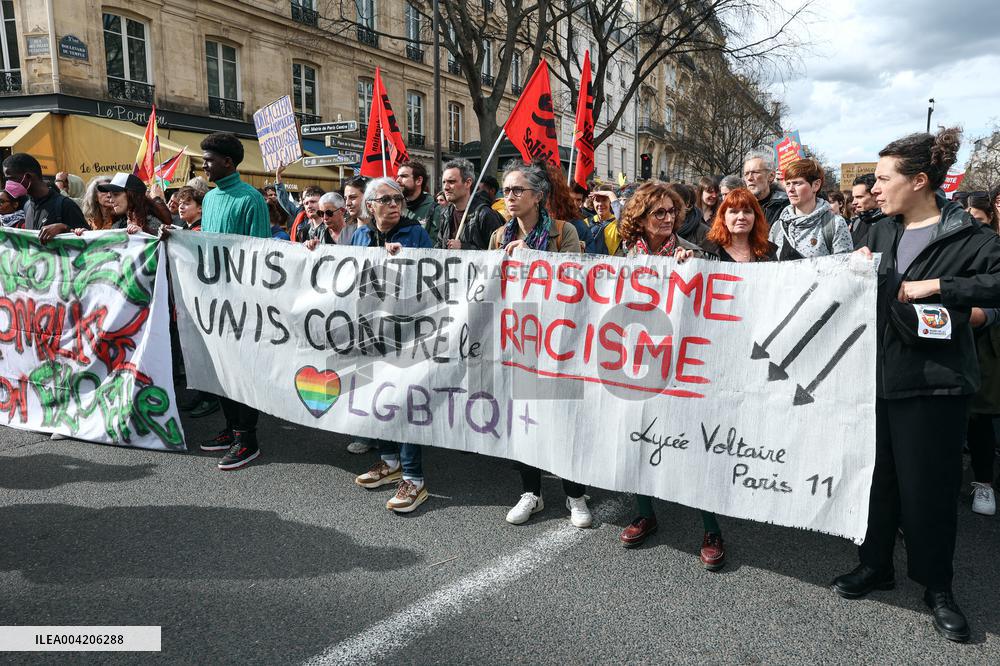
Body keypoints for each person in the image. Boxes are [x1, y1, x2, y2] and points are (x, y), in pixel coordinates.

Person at [831, 127, 1000, 643]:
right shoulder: (877, 231)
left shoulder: (970, 235)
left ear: (919, 180)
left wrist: (938, 287)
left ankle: (938, 588)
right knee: (876, 483)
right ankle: (875, 565)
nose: (874, 188)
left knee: (927, 491)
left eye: (884, 179)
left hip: (934, 385)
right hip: (875, 379)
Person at [614, 180, 725, 568]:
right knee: (640, 436)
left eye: (671, 212)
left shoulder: (693, 252)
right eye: (657, 212)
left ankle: (711, 527)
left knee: (692, 444)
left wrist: (692, 268)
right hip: (639, 360)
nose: (667, 218)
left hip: (683, 364)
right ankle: (645, 513)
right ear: (640, 218)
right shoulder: (626, 255)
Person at [488, 160, 590, 528]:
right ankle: (531, 492)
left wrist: (532, 258)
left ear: (538, 196)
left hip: (560, 340)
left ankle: (575, 494)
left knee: (563, 419)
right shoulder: (499, 237)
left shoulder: (565, 232)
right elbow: (491, 286)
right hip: (521, 339)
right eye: (506, 191)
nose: (510, 198)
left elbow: (574, 279)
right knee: (525, 420)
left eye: (517, 190)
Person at [351, 177, 433, 513]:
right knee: (378, 395)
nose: (394, 204)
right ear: (370, 206)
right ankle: (389, 460)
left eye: (398, 198)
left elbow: (433, 274)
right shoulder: (360, 235)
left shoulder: (415, 234)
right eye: (385, 199)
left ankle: (414, 477)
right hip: (371, 329)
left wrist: (405, 260)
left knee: (405, 399)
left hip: (408, 330)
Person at [191, 132, 270, 471]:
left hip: (242, 303)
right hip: (213, 300)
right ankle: (230, 429)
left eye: (208, 160)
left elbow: (262, 253)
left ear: (228, 162)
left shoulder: (250, 199)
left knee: (242, 372)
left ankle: (247, 438)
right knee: (220, 369)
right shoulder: (208, 200)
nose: (203, 165)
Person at [768, 158, 852, 259]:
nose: (790, 189)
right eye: (788, 184)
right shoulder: (778, 227)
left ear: (816, 185)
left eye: (797, 183)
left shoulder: (834, 224)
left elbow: (843, 268)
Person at [2, 153, 88, 242]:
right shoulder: (27, 205)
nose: (8, 184)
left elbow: (90, 242)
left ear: (28, 177)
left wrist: (65, 228)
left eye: (11, 178)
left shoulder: (65, 205)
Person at [429, 158, 504, 250]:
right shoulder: (446, 214)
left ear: (468, 183)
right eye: (444, 182)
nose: (445, 187)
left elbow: (497, 254)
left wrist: (464, 247)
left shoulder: (484, 215)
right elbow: (439, 246)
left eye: (451, 182)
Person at [96, 173, 162, 234]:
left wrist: (143, 234)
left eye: (116, 195)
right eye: (110, 196)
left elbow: (164, 242)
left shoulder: (156, 221)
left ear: (132, 196)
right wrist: (86, 235)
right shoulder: (118, 225)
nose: (111, 200)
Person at [742, 148, 788, 226]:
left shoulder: (785, 207)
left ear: (771, 176)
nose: (749, 178)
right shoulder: (738, 205)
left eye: (755, 172)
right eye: (746, 174)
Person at [850, 173, 887, 248]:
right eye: (853, 197)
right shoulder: (857, 222)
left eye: (859, 197)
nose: (854, 202)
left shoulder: (893, 222)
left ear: (875, 195)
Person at [397, 160, 435, 228]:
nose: (397, 180)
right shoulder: (395, 206)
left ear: (419, 180)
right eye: (398, 176)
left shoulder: (434, 210)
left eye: (404, 176)